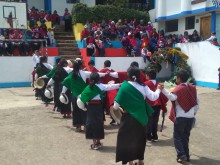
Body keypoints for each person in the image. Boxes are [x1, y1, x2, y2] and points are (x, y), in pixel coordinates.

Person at [113, 66, 162, 165]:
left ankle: (130, 162)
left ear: (128, 75)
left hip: (128, 118)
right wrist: (158, 89)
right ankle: (140, 161)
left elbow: (115, 106)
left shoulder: (124, 86)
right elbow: (153, 97)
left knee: (127, 140)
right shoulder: (144, 86)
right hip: (141, 118)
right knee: (140, 139)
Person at [161, 70, 199, 163]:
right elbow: (197, 102)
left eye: (176, 77)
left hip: (181, 117)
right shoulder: (193, 88)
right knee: (185, 137)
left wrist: (163, 89)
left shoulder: (178, 89)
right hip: (190, 117)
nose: (176, 79)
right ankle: (186, 155)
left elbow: (172, 97)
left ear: (179, 78)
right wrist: (193, 113)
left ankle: (181, 155)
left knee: (177, 137)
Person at [77, 72, 121, 150]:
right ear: (98, 79)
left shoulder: (88, 88)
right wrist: (119, 84)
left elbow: (82, 99)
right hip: (98, 107)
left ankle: (94, 144)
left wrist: (84, 107)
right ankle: (98, 142)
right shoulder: (101, 86)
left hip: (90, 107)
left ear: (90, 79)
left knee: (91, 124)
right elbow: (110, 86)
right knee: (98, 123)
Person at [61, 60, 108, 132]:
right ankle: (86, 126)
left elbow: (65, 84)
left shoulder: (71, 75)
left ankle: (78, 126)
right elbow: (96, 74)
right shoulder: (84, 73)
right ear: (80, 66)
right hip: (83, 96)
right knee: (85, 110)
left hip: (74, 95)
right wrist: (105, 74)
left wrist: (63, 93)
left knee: (76, 111)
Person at [144, 69, 162, 142]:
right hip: (158, 104)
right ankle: (154, 136)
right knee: (155, 121)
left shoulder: (145, 84)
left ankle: (148, 136)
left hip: (149, 105)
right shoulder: (159, 84)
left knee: (149, 121)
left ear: (148, 76)